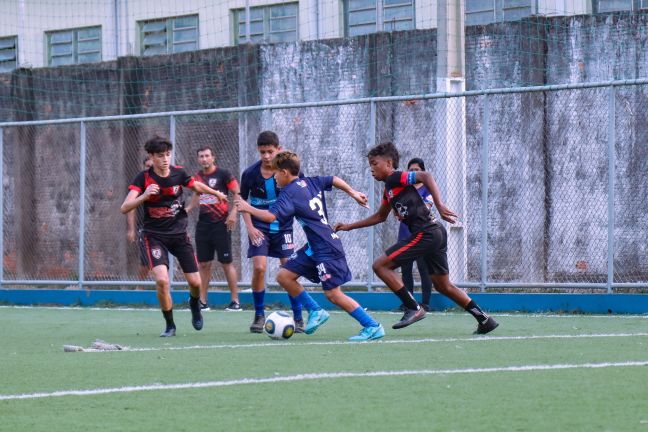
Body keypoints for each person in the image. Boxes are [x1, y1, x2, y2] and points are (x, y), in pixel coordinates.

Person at [334, 142, 499, 334]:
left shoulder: (395, 177)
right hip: (435, 232)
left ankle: (413, 307)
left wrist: (440, 204)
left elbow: (425, 176)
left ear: (388, 163)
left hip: (427, 232)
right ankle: (484, 319)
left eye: (374, 163)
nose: (371, 169)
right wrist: (348, 226)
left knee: (380, 266)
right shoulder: (389, 189)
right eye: (370, 165)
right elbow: (380, 216)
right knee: (443, 285)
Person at [235, 151, 385, 342]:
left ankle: (372, 326)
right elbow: (333, 179)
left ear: (285, 173)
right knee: (284, 276)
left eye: (276, 173)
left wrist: (247, 208)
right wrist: (353, 193)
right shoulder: (311, 181)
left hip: (326, 247)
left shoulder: (289, 193)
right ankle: (315, 310)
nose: (274, 177)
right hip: (315, 246)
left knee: (333, 294)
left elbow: (271, 217)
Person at [120, 136, 228, 337]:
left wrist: (216, 193)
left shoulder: (179, 173)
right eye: (160, 156)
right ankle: (170, 324)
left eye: (168, 155)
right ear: (151, 157)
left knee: (195, 283)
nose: (165, 159)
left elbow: (196, 186)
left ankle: (194, 304)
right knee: (162, 280)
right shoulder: (142, 178)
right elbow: (124, 207)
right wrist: (144, 196)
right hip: (154, 236)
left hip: (179, 235)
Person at [239, 131, 303, 333]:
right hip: (259, 227)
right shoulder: (250, 174)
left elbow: (301, 194)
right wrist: (249, 228)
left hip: (283, 227)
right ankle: (259, 315)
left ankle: (299, 316)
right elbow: (242, 202)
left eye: (270, 152)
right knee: (259, 268)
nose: (266, 156)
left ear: (278, 149)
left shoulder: (288, 173)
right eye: (262, 152)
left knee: (288, 269)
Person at [186, 146, 242, 312]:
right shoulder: (197, 177)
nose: (204, 159)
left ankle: (235, 301)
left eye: (207, 156)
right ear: (198, 159)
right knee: (203, 264)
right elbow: (197, 194)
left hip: (221, 224)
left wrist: (233, 213)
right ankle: (202, 301)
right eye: (201, 156)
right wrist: (188, 209)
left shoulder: (224, 174)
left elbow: (237, 193)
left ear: (213, 157)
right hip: (203, 225)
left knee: (226, 262)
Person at [393, 158, 433, 312]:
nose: (414, 172)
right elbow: (397, 209)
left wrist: (410, 210)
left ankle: (425, 303)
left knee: (424, 269)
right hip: (405, 233)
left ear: (422, 171)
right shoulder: (404, 188)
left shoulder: (428, 188)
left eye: (417, 169)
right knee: (406, 270)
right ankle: (408, 303)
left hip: (422, 233)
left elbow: (426, 207)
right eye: (411, 170)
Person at [126, 156, 154, 287]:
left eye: (152, 166)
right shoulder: (140, 182)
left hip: (164, 228)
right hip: (144, 228)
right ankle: (140, 287)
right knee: (146, 261)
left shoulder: (165, 182)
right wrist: (131, 230)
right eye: (147, 166)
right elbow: (130, 207)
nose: (150, 168)